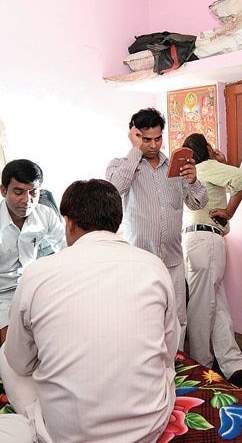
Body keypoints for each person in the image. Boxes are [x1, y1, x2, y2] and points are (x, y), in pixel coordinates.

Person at [0, 179, 179, 442]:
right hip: (148, 427)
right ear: (116, 222)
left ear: (68, 223)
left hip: (65, 433)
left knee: (7, 354)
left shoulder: (37, 274)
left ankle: (33, 421)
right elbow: (168, 351)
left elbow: (20, 361)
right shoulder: (154, 266)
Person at [106, 108, 208, 349]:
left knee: (177, 319)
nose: (153, 145)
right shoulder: (122, 165)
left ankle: (176, 367)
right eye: (146, 139)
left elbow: (198, 202)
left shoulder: (175, 167)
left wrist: (193, 181)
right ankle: (146, 369)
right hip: (139, 262)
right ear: (134, 136)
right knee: (142, 319)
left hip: (172, 260)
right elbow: (112, 190)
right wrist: (135, 151)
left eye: (158, 138)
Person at [181, 133, 242, 386]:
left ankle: (232, 366)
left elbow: (230, 181)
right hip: (206, 241)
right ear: (205, 149)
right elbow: (241, 178)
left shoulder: (193, 172)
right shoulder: (206, 167)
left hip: (197, 242)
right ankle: (200, 368)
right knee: (201, 308)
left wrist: (222, 160)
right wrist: (229, 212)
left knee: (217, 307)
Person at [0, 159, 65, 344]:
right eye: (18, 192)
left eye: (33, 192)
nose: (27, 200)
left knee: (56, 336)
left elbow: (66, 249)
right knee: (9, 346)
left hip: (33, 287)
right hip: (2, 294)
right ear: (3, 191)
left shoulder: (45, 214)